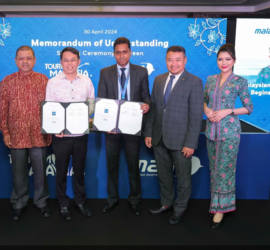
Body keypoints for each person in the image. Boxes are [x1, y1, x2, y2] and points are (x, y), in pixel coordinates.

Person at [144, 46, 204, 225]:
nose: (174, 63)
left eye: (178, 59)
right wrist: (148, 132)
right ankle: (166, 203)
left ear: (185, 60)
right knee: (164, 175)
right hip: (159, 137)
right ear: (165, 60)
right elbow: (154, 109)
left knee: (184, 178)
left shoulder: (194, 81)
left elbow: (195, 116)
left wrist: (191, 142)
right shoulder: (159, 79)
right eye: (170, 59)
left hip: (181, 140)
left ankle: (179, 209)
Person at [97, 37, 151, 216]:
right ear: (114, 54)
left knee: (133, 165)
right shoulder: (105, 72)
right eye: (118, 52)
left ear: (130, 52)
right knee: (111, 165)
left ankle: (134, 199)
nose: (121, 55)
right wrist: (105, 124)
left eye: (125, 51)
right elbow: (101, 100)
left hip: (133, 126)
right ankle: (112, 199)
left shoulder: (141, 72)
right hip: (111, 129)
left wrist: (147, 105)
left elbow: (146, 96)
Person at [0, 45, 52, 221]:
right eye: (21, 58)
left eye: (28, 58)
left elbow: (51, 108)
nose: (25, 61)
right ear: (15, 61)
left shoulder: (44, 80)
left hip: (39, 134)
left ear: (35, 60)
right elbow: (3, 109)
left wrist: (50, 130)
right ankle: (19, 203)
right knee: (18, 172)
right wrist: (5, 132)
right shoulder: (7, 81)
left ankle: (41, 202)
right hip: (16, 135)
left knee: (40, 172)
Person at [203, 43, 253, 229]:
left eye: (228, 59)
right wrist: (207, 110)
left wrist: (228, 111)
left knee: (224, 172)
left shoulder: (240, 81)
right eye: (220, 59)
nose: (224, 62)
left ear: (234, 61)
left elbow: (249, 108)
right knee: (213, 170)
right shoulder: (210, 79)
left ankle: (221, 210)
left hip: (230, 133)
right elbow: (203, 100)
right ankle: (215, 205)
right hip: (211, 132)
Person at [45, 47, 95, 221]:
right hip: (61, 137)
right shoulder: (52, 82)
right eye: (66, 60)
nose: (69, 63)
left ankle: (80, 201)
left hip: (81, 136)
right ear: (60, 62)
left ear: (79, 61)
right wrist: (54, 128)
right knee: (61, 172)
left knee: (80, 170)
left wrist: (89, 118)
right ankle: (63, 203)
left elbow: (91, 105)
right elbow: (50, 109)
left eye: (73, 60)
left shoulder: (86, 81)